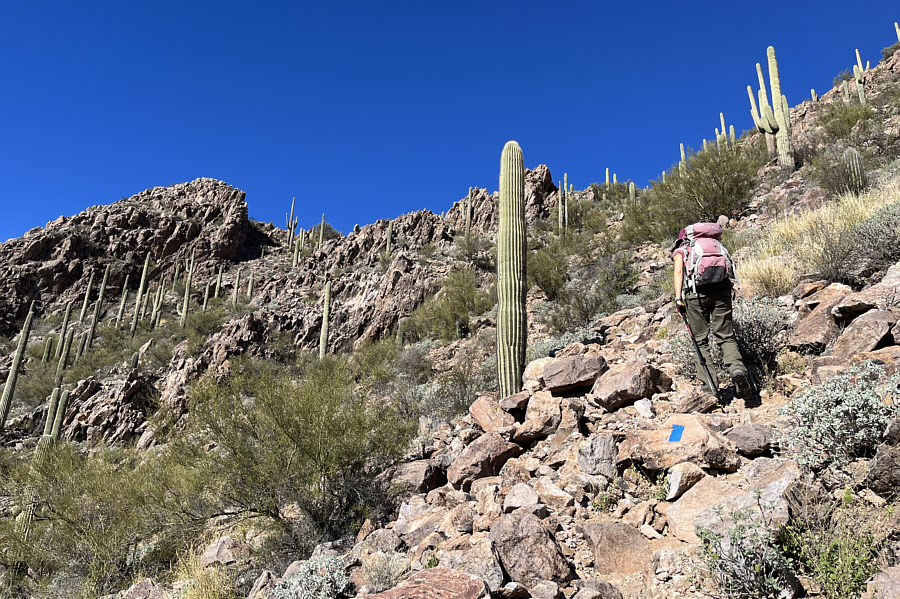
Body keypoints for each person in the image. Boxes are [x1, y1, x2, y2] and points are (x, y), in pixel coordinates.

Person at [672, 224, 751, 398]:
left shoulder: (684, 248)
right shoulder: (717, 245)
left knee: (700, 341)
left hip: (696, 295)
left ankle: (710, 389)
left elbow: (679, 271)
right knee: (726, 336)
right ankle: (737, 369)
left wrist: (678, 299)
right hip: (722, 291)